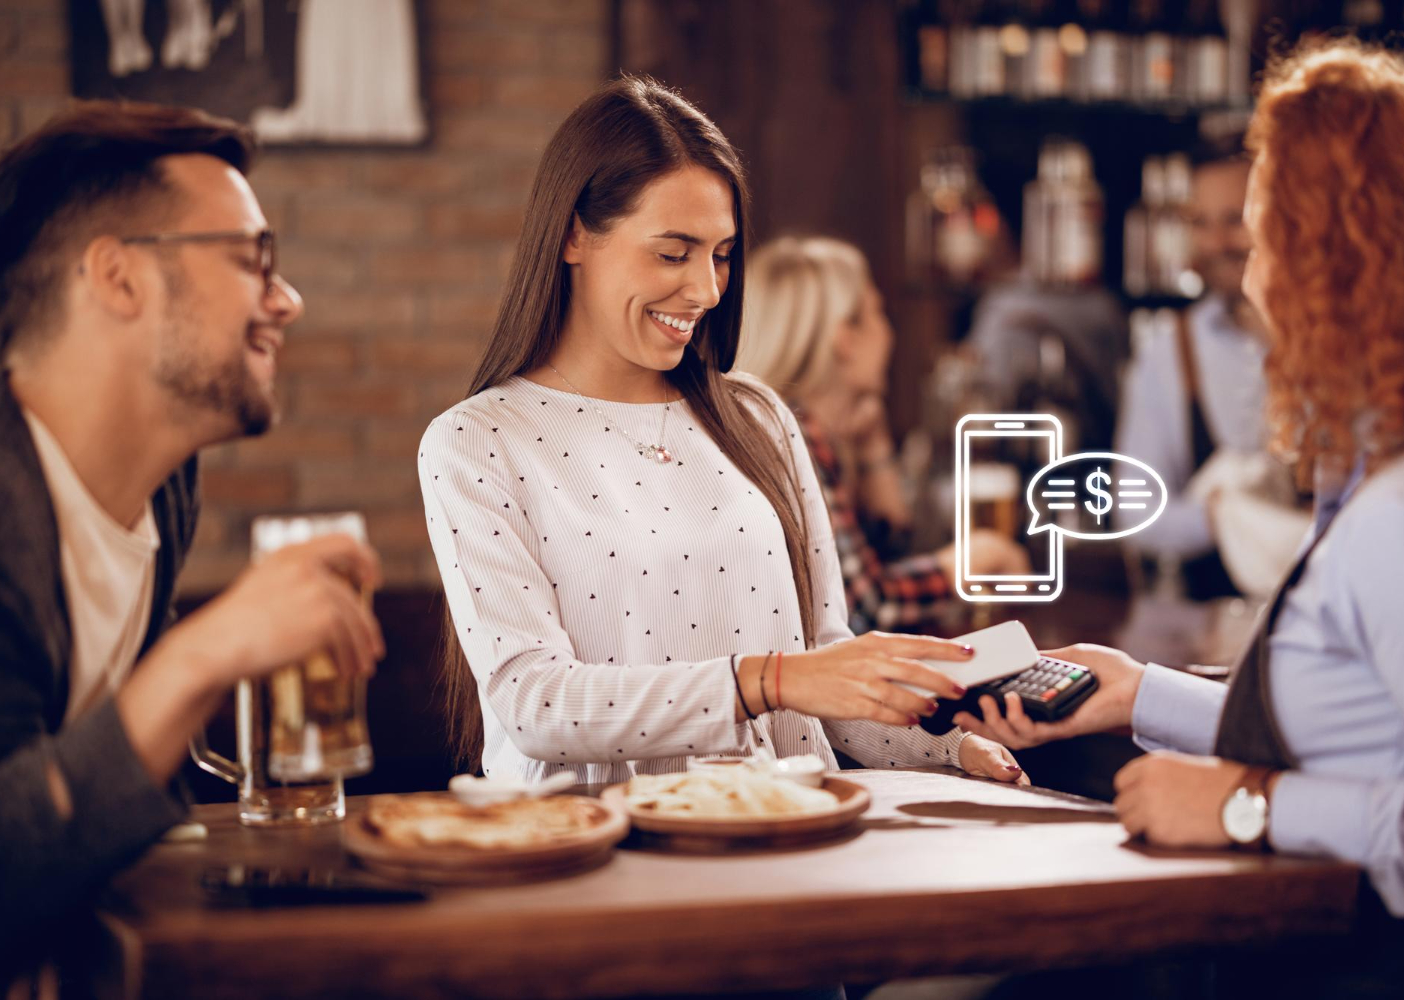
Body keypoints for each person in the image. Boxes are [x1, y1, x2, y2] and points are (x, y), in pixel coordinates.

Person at [957, 41, 1404, 993]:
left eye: (1264, 240)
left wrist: (1250, 808)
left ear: (1342, 266)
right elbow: (1361, 731)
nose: (1247, 279)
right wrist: (1140, 696)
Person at [419, 77, 1025, 793]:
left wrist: (950, 750)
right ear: (575, 234)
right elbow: (535, 703)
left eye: (722, 255)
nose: (707, 290)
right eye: (674, 254)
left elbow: (825, 679)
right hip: (595, 861)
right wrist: (767, 681)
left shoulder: (759, 418)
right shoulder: (478, 441)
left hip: (783, 841)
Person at [0, 102, 383, 974]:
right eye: (252, 259)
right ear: (118, 278)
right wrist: (199, 657)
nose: (286, 298)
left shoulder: (164, 486)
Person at [734, 235, 1028, 635]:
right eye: (878, 314)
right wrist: (968, 562)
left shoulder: (801, 427)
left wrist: (874, 448)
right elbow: (866, 608)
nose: (888, 333)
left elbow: (891, 552)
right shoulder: (790, 435)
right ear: (845, 339)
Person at [1113, 131, 1301, 601]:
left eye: (1235, 220)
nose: (1216, 242)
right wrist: (1228, 515)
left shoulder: (1339, 344)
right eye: (1200, 222)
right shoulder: (1170, 351)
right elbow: (1136, 514)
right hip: (1214, 630)